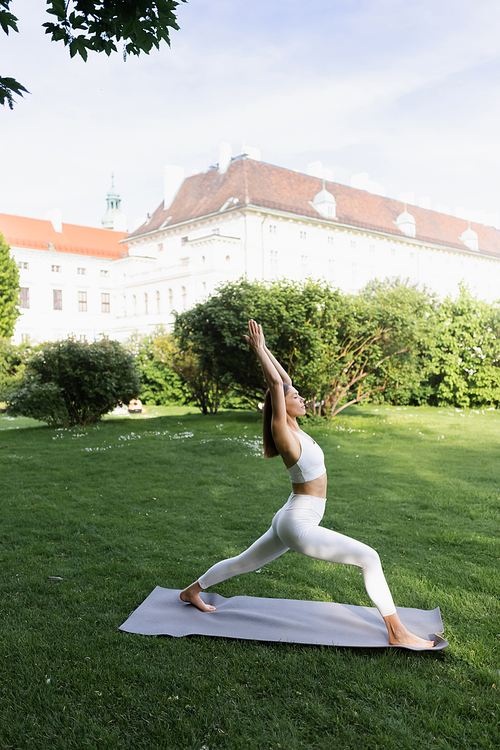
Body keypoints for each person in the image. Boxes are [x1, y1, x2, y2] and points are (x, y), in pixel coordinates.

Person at [181, 320, 435, 648]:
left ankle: (192, 591)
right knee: (369, 557)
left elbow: (282, 379)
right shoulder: (282, 433)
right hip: (297, 524)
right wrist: (258, 351)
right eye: (295, 396)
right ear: (280, 404)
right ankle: (397, 633)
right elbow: (276, 384)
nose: (301, 398)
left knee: (242, 563)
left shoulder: (295, 426)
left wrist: (266, 348)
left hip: (291, 514)